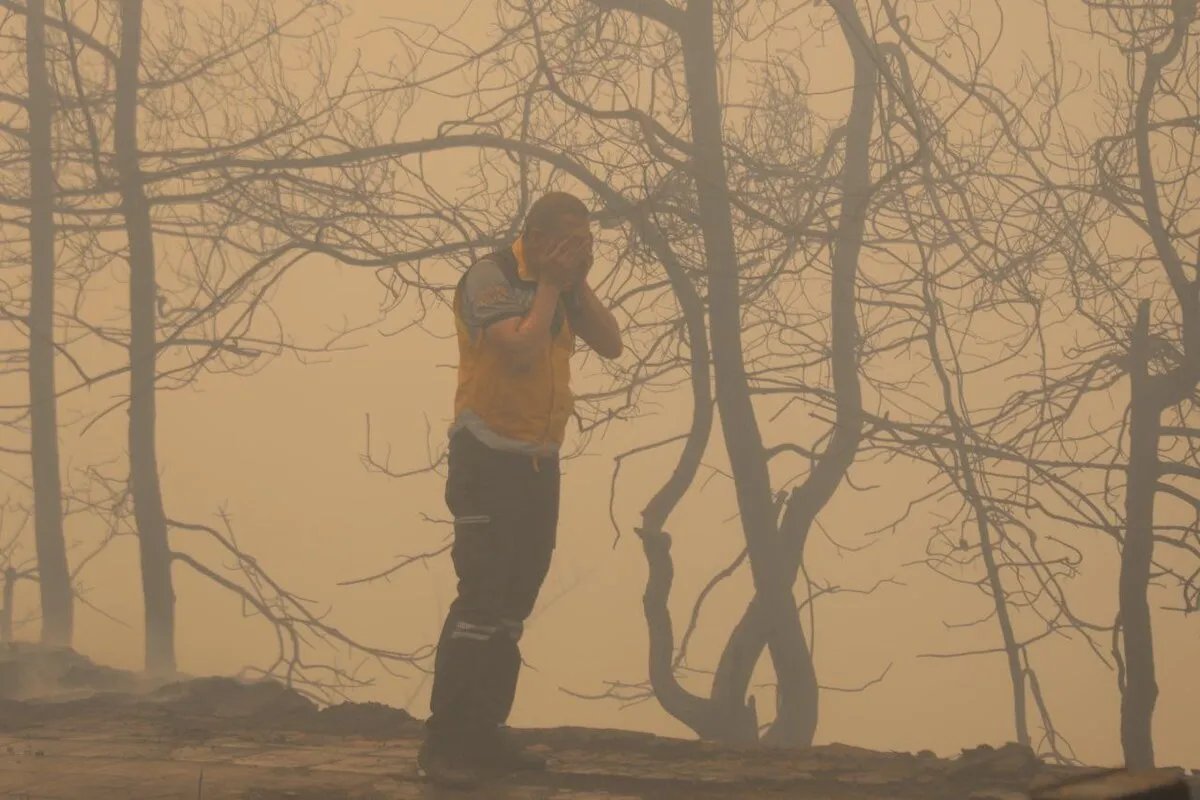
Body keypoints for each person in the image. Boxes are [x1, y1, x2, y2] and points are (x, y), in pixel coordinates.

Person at [418, 192, 623, 787]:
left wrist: (575, 284)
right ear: (533, 237)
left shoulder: (566, 285)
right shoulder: (492, 276)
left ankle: (485, 733)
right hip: (487, 458)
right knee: (481, 599)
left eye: (586, 243)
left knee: (513, 604)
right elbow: (517, 350)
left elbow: (610, 342)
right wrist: (552, 287)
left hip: (539, 461)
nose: (578, 252)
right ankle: (446, 740)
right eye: (567, 242)